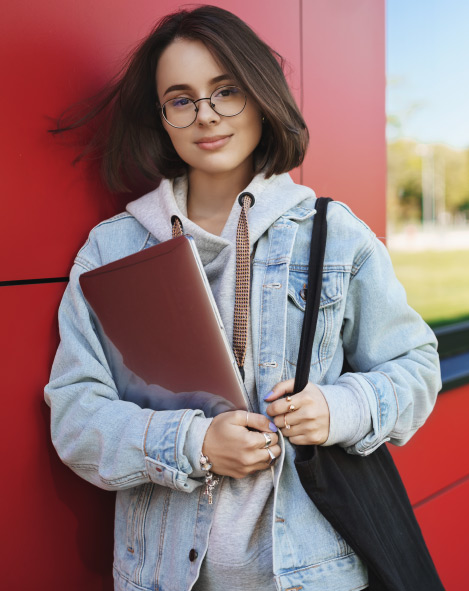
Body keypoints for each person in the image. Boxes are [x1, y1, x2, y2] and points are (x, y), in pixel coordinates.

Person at [44, 6, 441, 591]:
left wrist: (339, 408)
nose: (206, 115)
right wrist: (195, 442)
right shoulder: (113, 250)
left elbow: (417, 368)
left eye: (225, 90)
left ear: (259, 96)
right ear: (161, 118)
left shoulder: (334, 236)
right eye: (181, 99)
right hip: (163, 577)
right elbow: (76, 414)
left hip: (315, 576)